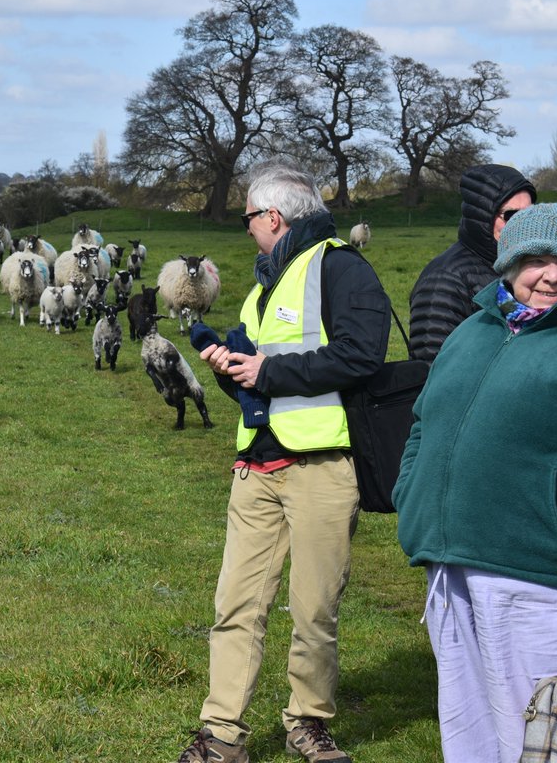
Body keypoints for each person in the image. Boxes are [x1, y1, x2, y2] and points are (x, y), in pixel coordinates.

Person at [393, 203, 557, 763]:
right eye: (536, 260)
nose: (553, 275)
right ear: (507, 264)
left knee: (539, 735)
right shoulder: (471, 332)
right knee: (467, 729)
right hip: (450, 569)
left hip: (539, 580)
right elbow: (423, 423)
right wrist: (412, 499)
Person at [178, 163, 390, 763]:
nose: (245, 230)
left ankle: (309, 724)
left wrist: (269, 372)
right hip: (256, 468)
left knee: (314, 608)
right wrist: (233, 371)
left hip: (322, 468)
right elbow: (257, 385)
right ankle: (221, 734)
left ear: (273, 217)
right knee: (235, 606)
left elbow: (361, 356)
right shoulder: (260, 285)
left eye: (248, 218)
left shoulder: (343, 268)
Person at [408, 164, 536, 363]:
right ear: (482, 217)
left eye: (529, 215)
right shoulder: (444, 280)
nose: (522, 224)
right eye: (511, 215)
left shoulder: (520, 268)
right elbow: (432, 368)